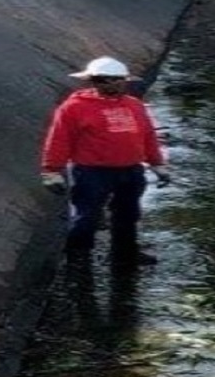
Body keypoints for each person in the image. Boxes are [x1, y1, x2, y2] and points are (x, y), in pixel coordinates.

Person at [40, 56, 170, 266]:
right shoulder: (74, 108)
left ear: (124, 81)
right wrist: (51, 171)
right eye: (103, 79)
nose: (111, 83)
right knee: (86, 218)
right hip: (91, 172)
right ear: (93, 81)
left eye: (116, 79)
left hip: (131, 171)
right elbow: (59, 140)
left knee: (128, 215)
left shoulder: (135, 105)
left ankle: (125, 254)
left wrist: (158, 165)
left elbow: (147, 136)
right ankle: (78, 258)